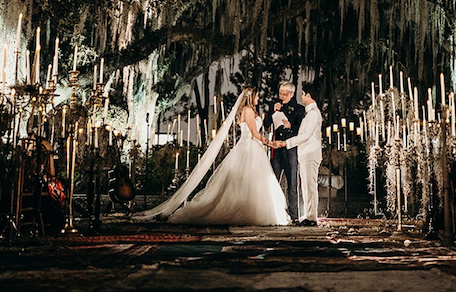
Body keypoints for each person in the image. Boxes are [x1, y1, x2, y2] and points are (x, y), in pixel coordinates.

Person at [133, 87, 289, 226]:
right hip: (248, 147)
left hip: (254, 147)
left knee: (253, 181)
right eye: (256, 96)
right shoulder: (248, 110)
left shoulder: (251, 110)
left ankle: (251, 208)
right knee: (246, 180)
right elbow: (254, 133)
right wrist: (270, 143)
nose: (257, 99)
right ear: (249, 97)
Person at [273, 81, 322, 226]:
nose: (301, 96)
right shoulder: (310, 113)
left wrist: (285, 143)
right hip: (306, 154)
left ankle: (311, 217)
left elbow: (305, 135)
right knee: (306, 187)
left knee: (310, 187)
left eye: (303, 94)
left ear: (308, 95)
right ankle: (308, 216)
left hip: (310, 153)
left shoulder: (313, 114)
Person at [263, 80, 304, 222]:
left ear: (291, 94)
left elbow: (301, 130)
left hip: (290, 148)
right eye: (280, 93)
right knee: (273, 180)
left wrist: (289, 126)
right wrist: (274, 111)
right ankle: (271, 212)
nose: (281, 96)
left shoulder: (299, 109)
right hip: (276, 149)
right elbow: (266, 124)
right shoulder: (276, 106)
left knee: (292, 182)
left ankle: (294, 216)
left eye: (284, 94)